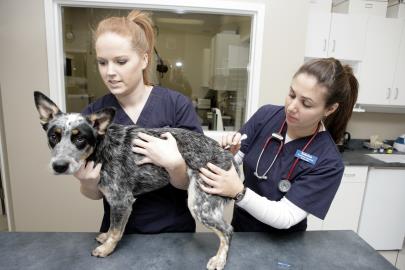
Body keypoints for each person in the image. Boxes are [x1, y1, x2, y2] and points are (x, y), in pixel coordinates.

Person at [74, 10, 203, 234]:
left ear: (144, 59)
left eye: (121, 61)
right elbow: (94, 194)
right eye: (102, 63)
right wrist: (87, 183)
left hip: (174, 234)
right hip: (118, 234)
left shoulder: (175, 106)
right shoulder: (93, 116)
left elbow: (198, 181)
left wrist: (175, 166)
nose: (110, 72)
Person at [199, 58, 358, 232]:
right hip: (242, 231)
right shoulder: (266, 116)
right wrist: (226, 155)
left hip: (284, 245)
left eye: (306, 103)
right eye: (291, 94)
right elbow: (233, 162)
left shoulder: (328, 161)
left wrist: (239, 192)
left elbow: (286, 216)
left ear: (330, 109)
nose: (291, 107)